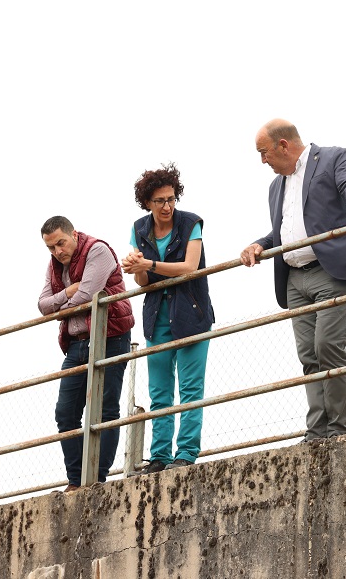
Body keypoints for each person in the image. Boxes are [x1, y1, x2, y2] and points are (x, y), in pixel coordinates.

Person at [240, 120, 346, 440]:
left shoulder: (331, 158)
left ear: (283, 145)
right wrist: (261, 243)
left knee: (328, 346)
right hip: (294, 279)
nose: (263, 161)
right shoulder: (276, 186)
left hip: (331, 271)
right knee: (309, 357)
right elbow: (287, 231)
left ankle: (341, 430)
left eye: (264, 153)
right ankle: (317, 431)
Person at [122, 163, 214, 475]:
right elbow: (143, 283)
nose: (167, 206)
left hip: (191, 315)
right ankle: (159, 457)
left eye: (172, 199)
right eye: (160, 200)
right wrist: (138, 267)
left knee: (190, 388)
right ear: (147, 202)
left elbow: (190, 267)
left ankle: (186, 454)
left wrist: (148, 261)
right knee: (159, 391)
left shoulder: (191, 223)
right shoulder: (139, 229)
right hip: (156, 317)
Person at [37, 216, 135, 492]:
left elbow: (87, 296)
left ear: (74, 234)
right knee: (65, 413)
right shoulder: (55, 265)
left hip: (110, 336)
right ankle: (77, 480)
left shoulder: (98, 251)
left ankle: (96, 480)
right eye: (51, 247)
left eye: (61, 243)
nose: (58, 251)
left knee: (105, 410)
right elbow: (43, 305)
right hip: (76, 343)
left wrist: (64, 301)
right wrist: (68, 292)